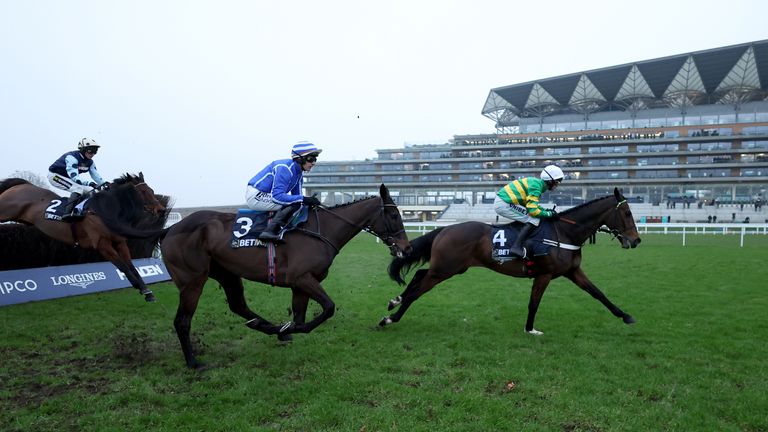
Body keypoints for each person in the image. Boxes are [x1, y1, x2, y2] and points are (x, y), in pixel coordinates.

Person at [246, 141, 322, 242]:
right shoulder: (284, 169)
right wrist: (304, 199)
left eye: (315, 159)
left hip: (268, 195)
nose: (313, 162)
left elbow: (298, 198)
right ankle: (268, 232)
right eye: (310, 158)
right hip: (256, 195)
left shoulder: (299, 175)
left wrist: (309, 202)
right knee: (295, 203)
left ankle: (285, 228)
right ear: (299, 158)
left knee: (298, 204)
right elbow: (277, 197)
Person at [493, 165, 564, 258]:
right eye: (557, 181)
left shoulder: (537, 184)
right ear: (550, 180)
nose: (558, 184)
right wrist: (549, 214)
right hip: (504, 203)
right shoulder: (536, 186)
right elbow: (533, 211)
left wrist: (545, 211)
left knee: (534, 217)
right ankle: (516, 247)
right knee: (533, 219)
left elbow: (531, 205)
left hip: (505, 201)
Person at [47, 138, 106, 220]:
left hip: (68, 178)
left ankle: (79, 210)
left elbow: (96, 176)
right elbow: (75, 178)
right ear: (83, 149)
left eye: (95, 151)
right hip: (55, 176)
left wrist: (105, 184)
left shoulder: (90, 162)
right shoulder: (72, 157)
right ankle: (66, 214)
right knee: (78, 189)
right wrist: (90, 183)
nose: (92, 154)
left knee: (90, 190)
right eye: (90, 151)